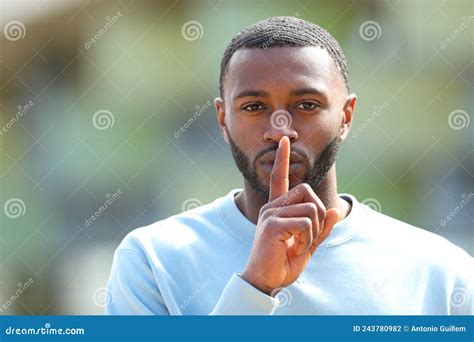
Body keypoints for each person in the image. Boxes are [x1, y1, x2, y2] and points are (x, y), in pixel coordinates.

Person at [105, 16, 473, 315]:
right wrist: (254, 287)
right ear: (222, 119)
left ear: (346, 117)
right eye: (253, 107)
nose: (280, 129)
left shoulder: (441, 272)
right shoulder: (153, 260)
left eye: (307, 105)